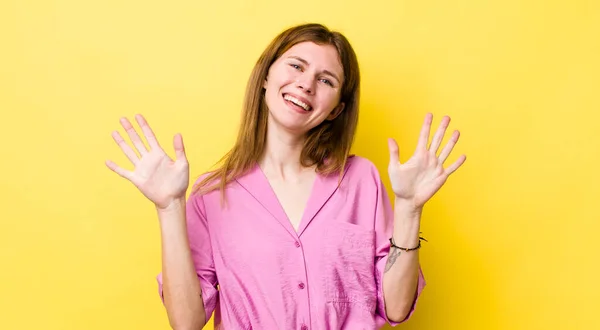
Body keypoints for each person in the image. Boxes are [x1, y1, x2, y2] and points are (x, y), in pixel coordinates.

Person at [106, 23, 466, 330]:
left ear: (336, 110)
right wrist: (169, 208)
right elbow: (186, 321)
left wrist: (408, 209)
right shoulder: (210, 196)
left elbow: (396, 307)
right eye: (296, 66)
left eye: (326, 80)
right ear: (266, 77)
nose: (306, 85)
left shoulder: (361, 180)